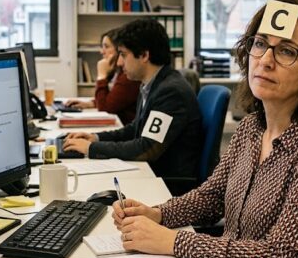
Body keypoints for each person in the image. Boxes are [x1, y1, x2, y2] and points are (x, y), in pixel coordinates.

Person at [110, 0, 298, 258]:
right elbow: (212, 197)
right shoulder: (252, 127)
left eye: (287, 51)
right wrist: (157, 214)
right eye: (260, 44)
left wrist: (173, 242)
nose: (265, 60)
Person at [62, 19, 203, 179]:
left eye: (123, 55)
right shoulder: (151, 84)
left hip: (167, 182)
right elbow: (135, 128)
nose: (119, 62)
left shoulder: (170, 92)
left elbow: (147, 148)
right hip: (151, 171)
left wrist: (91, 148)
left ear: (144, 55)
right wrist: (96, 138)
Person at [64, 29, 140, 124]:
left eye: (106, 47)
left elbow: (105, 108)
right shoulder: (117, 71)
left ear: (119, 49)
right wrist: (91, 103)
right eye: (102, 47)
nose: (102, 51)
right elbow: (112, 99)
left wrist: (101, 76)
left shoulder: (128, 76)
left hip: (124, 126)